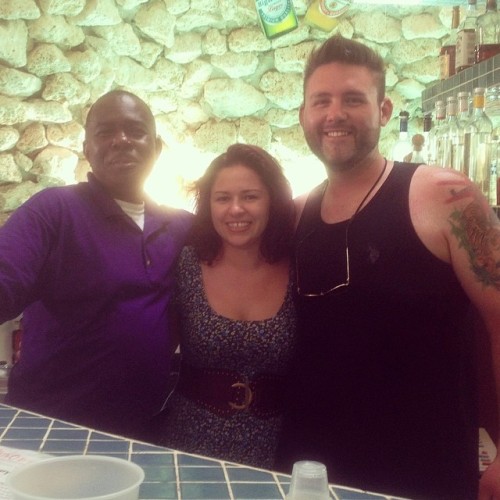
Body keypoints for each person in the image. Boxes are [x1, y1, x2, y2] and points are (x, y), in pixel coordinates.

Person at [275, 35, 500, 500]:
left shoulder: (443, 197)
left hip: (424, 474)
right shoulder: (297, 215)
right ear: (303, 116)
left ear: (382, 109)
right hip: (312, 472)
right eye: (321, 101)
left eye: (353, 99)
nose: (334, 114)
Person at [0, 90, 192, 440]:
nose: (121, 140)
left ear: (157, 147)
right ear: (87, 150)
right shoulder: (53, 212)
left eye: (135, 130)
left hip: (143, 434)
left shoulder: (181, 227)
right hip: (50, 431)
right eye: (105, 132)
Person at [156, 143, 297, 469]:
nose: (236, 209)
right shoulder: (186, 264)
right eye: (222, 198)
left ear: (272, 201)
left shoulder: (299, 268)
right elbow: (157, 347)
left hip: (276, 449)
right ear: (208, 205)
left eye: (250, 196)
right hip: (188, 444)